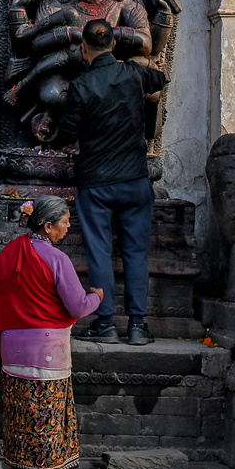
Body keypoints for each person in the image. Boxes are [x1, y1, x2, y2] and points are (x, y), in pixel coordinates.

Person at [0, 196, 104, 469]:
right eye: (64, 222)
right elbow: (76, 304)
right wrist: (97, 298)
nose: (68, 227)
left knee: (18, 412)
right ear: (47, 226)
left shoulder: (8, 253)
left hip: (11, 348)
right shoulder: (57, 259)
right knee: (43, 416)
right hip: (45, 351)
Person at [60, 18, 168, 346]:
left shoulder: (81, 86)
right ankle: (137, 326)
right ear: (114, 45)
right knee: (136, 254)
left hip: (96, 182)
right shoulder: (134, 74)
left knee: (100, 252)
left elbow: (67, 134)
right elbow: (159, 79)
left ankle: (105, 324)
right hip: (135, 179)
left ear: (84, 49)